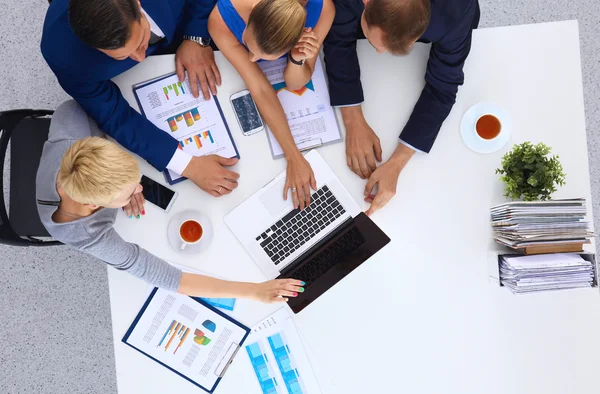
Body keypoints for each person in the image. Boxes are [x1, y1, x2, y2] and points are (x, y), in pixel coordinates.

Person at [36, 101, 304, 302]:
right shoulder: (86, 235)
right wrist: (254, 291)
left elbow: (70, 107)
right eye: (130, 194)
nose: (140, 189)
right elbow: (168, 278)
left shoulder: (72, 144)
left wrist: (117, 175)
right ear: (96, 205)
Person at [41, 0, 240, 198]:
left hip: (189, 20)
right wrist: (187, 165)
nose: (140, 57)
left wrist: (195, 37)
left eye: (141, 40)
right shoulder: (61, 53)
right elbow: (112, 115)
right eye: (121, 56)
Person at [323, 0, 480, 215]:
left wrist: (397, 161)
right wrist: (352, 118)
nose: (380, 52)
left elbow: (443, 85)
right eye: (378, 44)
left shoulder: (457, 9)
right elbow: (338, 40)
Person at [208, 0, 335, 209]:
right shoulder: (220, 19)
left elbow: (296, 83)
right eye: (248, 46)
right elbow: (259, 88)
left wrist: (296, 59)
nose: (251, 58)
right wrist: (293, 154)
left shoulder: (323, 10)